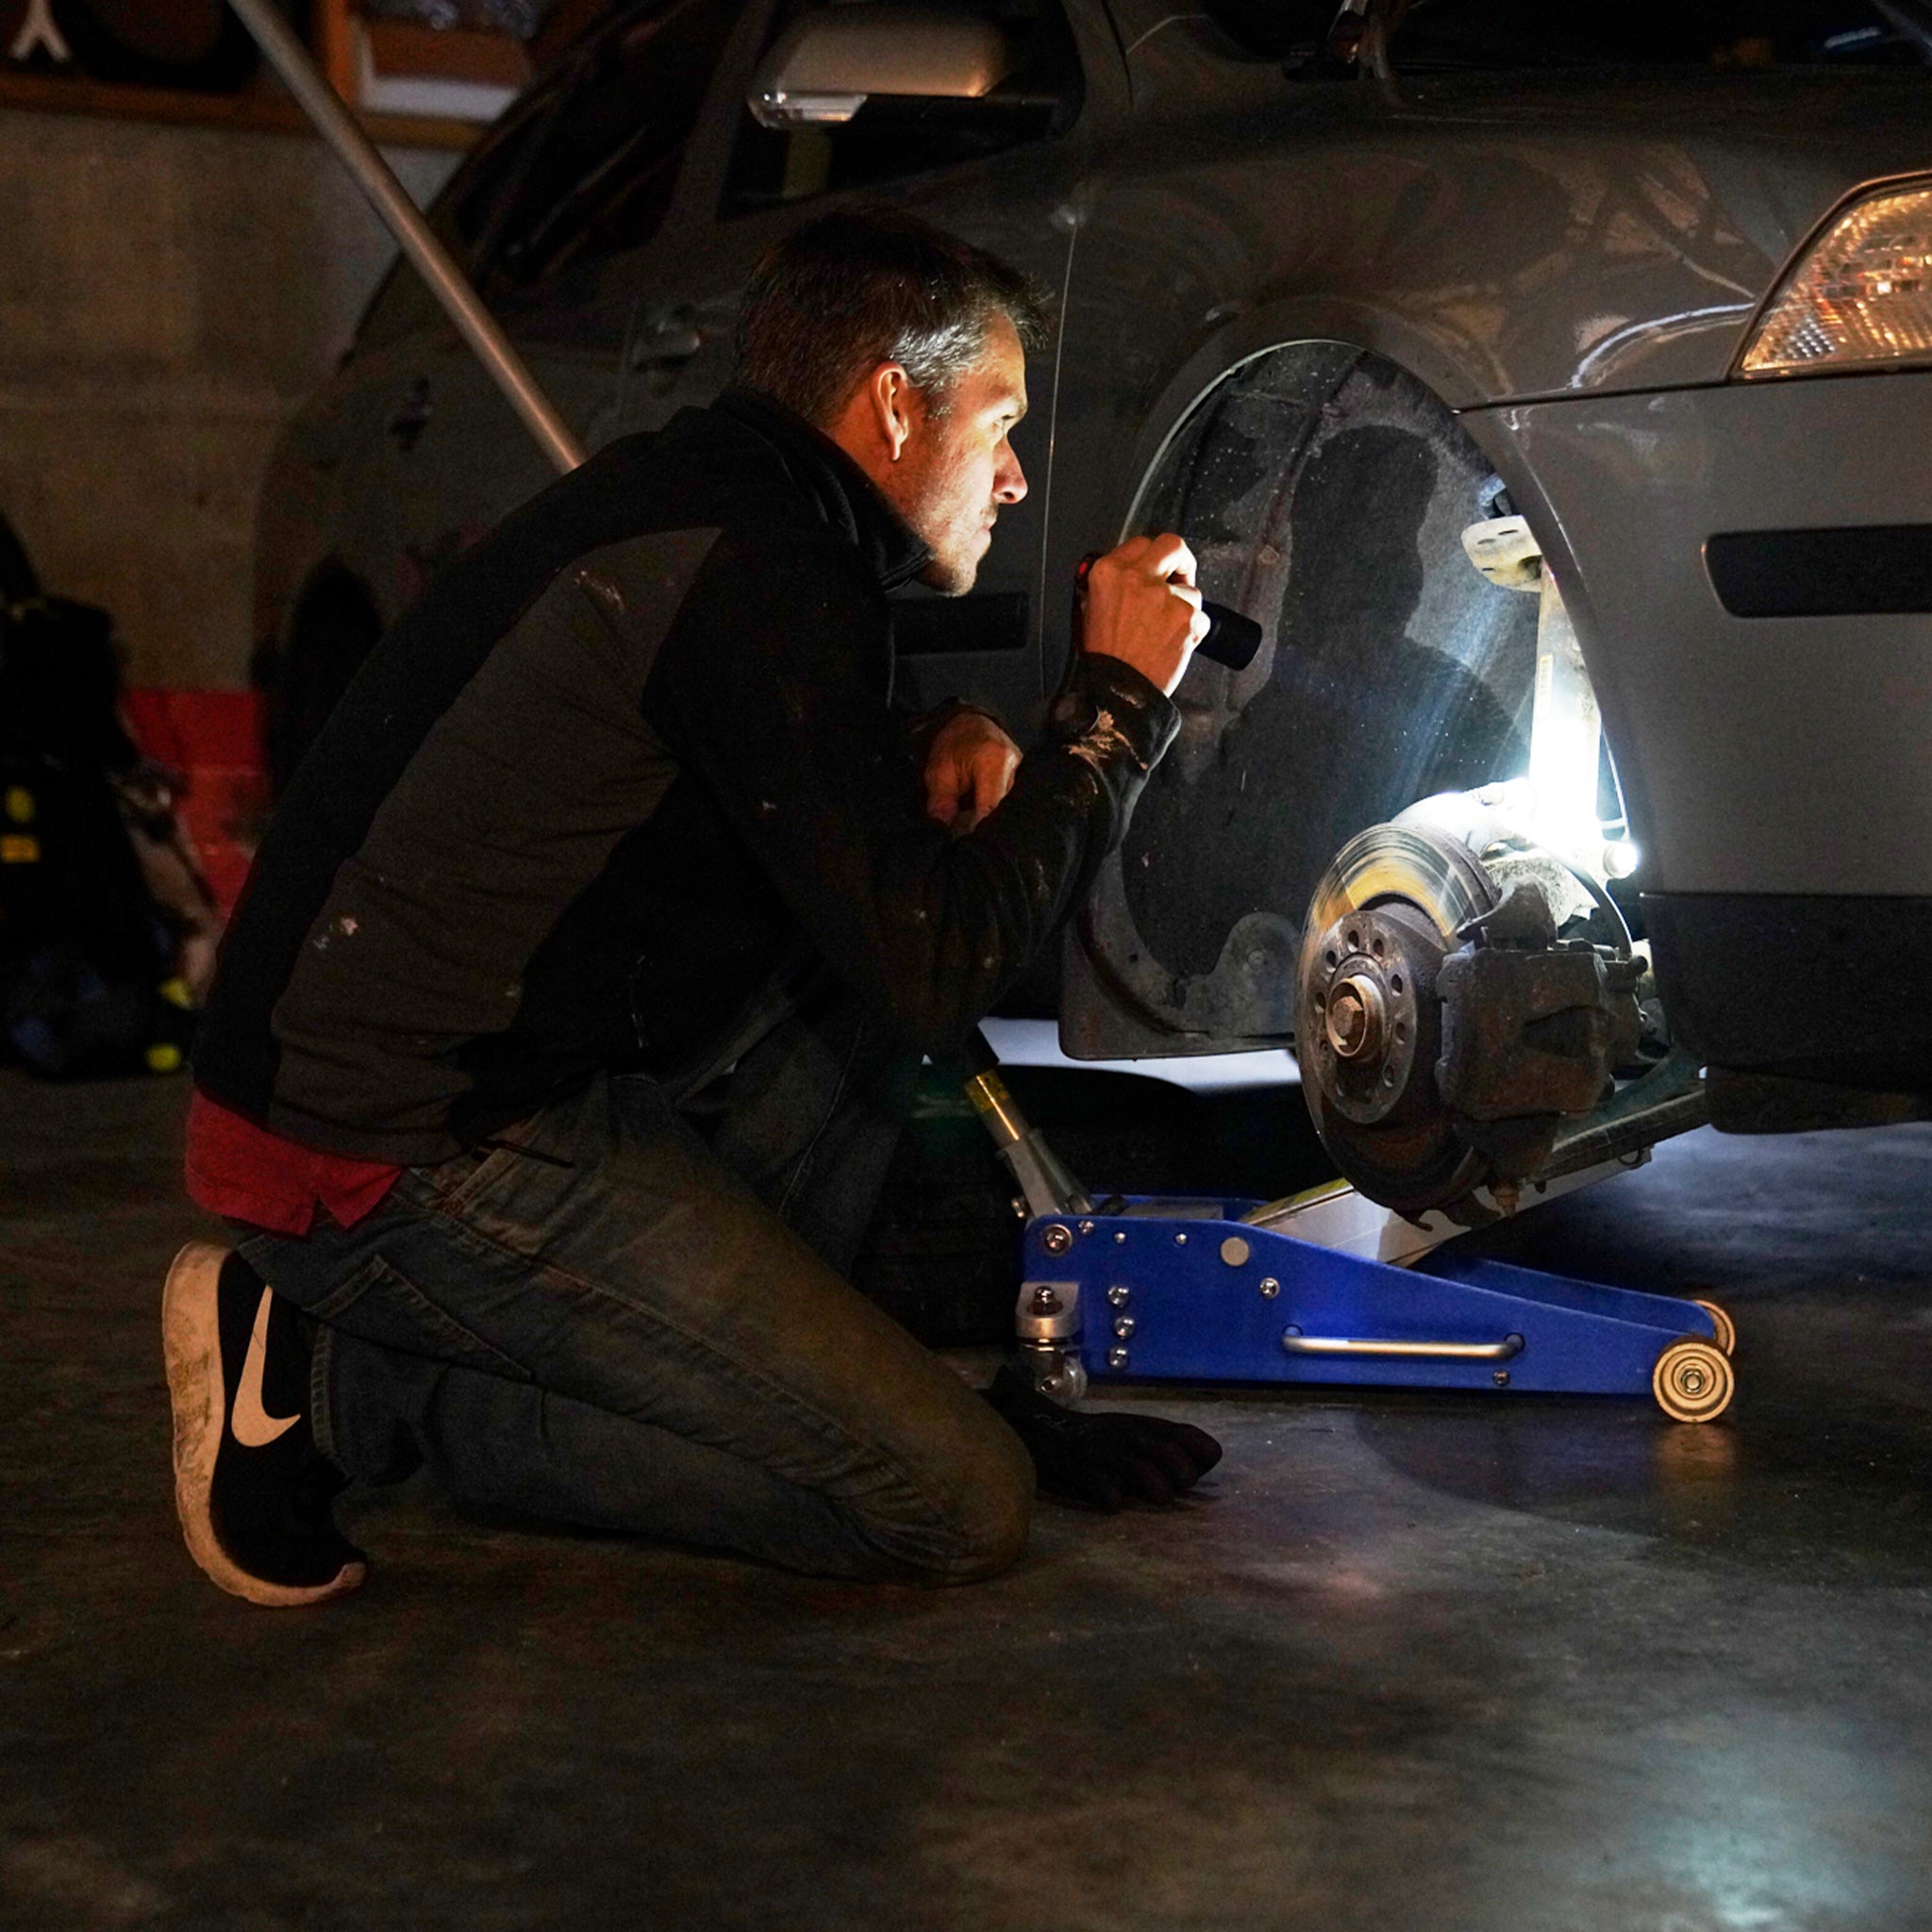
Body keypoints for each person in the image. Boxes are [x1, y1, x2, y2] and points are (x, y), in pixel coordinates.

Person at [163, 207, 1222, 1608]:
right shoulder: (761, 569)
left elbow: (742, 759)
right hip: (382, 1148)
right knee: (956, 1505)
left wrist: (919, 746)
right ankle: (345, 1389)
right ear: (894, 406)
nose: (1019, 477)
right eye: (999, 420)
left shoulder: (727, 511)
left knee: (866, 944)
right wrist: (1115, 707)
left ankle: (825, 1395)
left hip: (514, 1078)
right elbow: (933, 968)